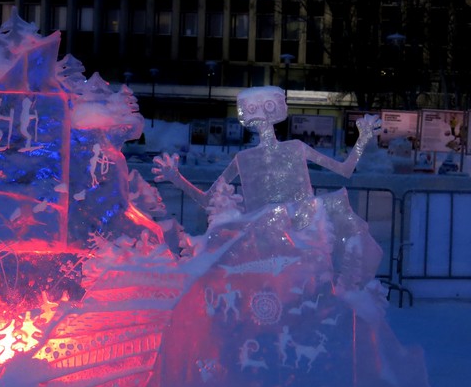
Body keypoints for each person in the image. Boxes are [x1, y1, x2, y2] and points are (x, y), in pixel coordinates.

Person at [152, 85, 382, 289]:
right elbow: (207, 200)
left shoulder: (293, 148)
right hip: (263, 244)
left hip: (303, 237)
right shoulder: (245, 158)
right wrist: (176, 178)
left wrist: (362, 139)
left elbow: (344, 170)